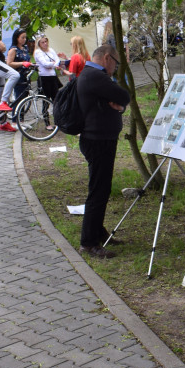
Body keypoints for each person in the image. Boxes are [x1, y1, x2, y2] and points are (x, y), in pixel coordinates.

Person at [77, 44, 130, 259]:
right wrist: (120, 103)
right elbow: (124, 96)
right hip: (97, 140)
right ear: (107, 58)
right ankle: (89, 242)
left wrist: (119, 106)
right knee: (98, 192)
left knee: (102, 190)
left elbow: (120, 102)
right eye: (116, 64)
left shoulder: (92, 76)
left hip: (101, 139)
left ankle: (98, 233)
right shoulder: (95, 76)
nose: (115, 69)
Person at [6, 27, 33, 105]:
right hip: (18, 76)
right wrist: (22, 63)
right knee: (19, 99)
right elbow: (9, 63)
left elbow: (28, 59)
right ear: (17, 38)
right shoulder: (13, 49)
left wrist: (31, 64)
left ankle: (21, 115)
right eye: (22, 37)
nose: (24, 39)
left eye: (25, 37)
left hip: (26, 76)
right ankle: (16, 116)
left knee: (25, 98)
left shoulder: (25, 48)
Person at [33, 35, 64, 100]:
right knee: (46, 98)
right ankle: (45, 110)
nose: (45, 43)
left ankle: (56, 109)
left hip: (52, 75)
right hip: (44, 77)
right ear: (39, 44)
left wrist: (53, 64)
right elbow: (45, 64)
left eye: (46, 41)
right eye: (43, 42)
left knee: (56, 97)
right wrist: (53, 64)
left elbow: (57, 59)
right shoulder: (38, 52)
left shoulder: (51, 50)